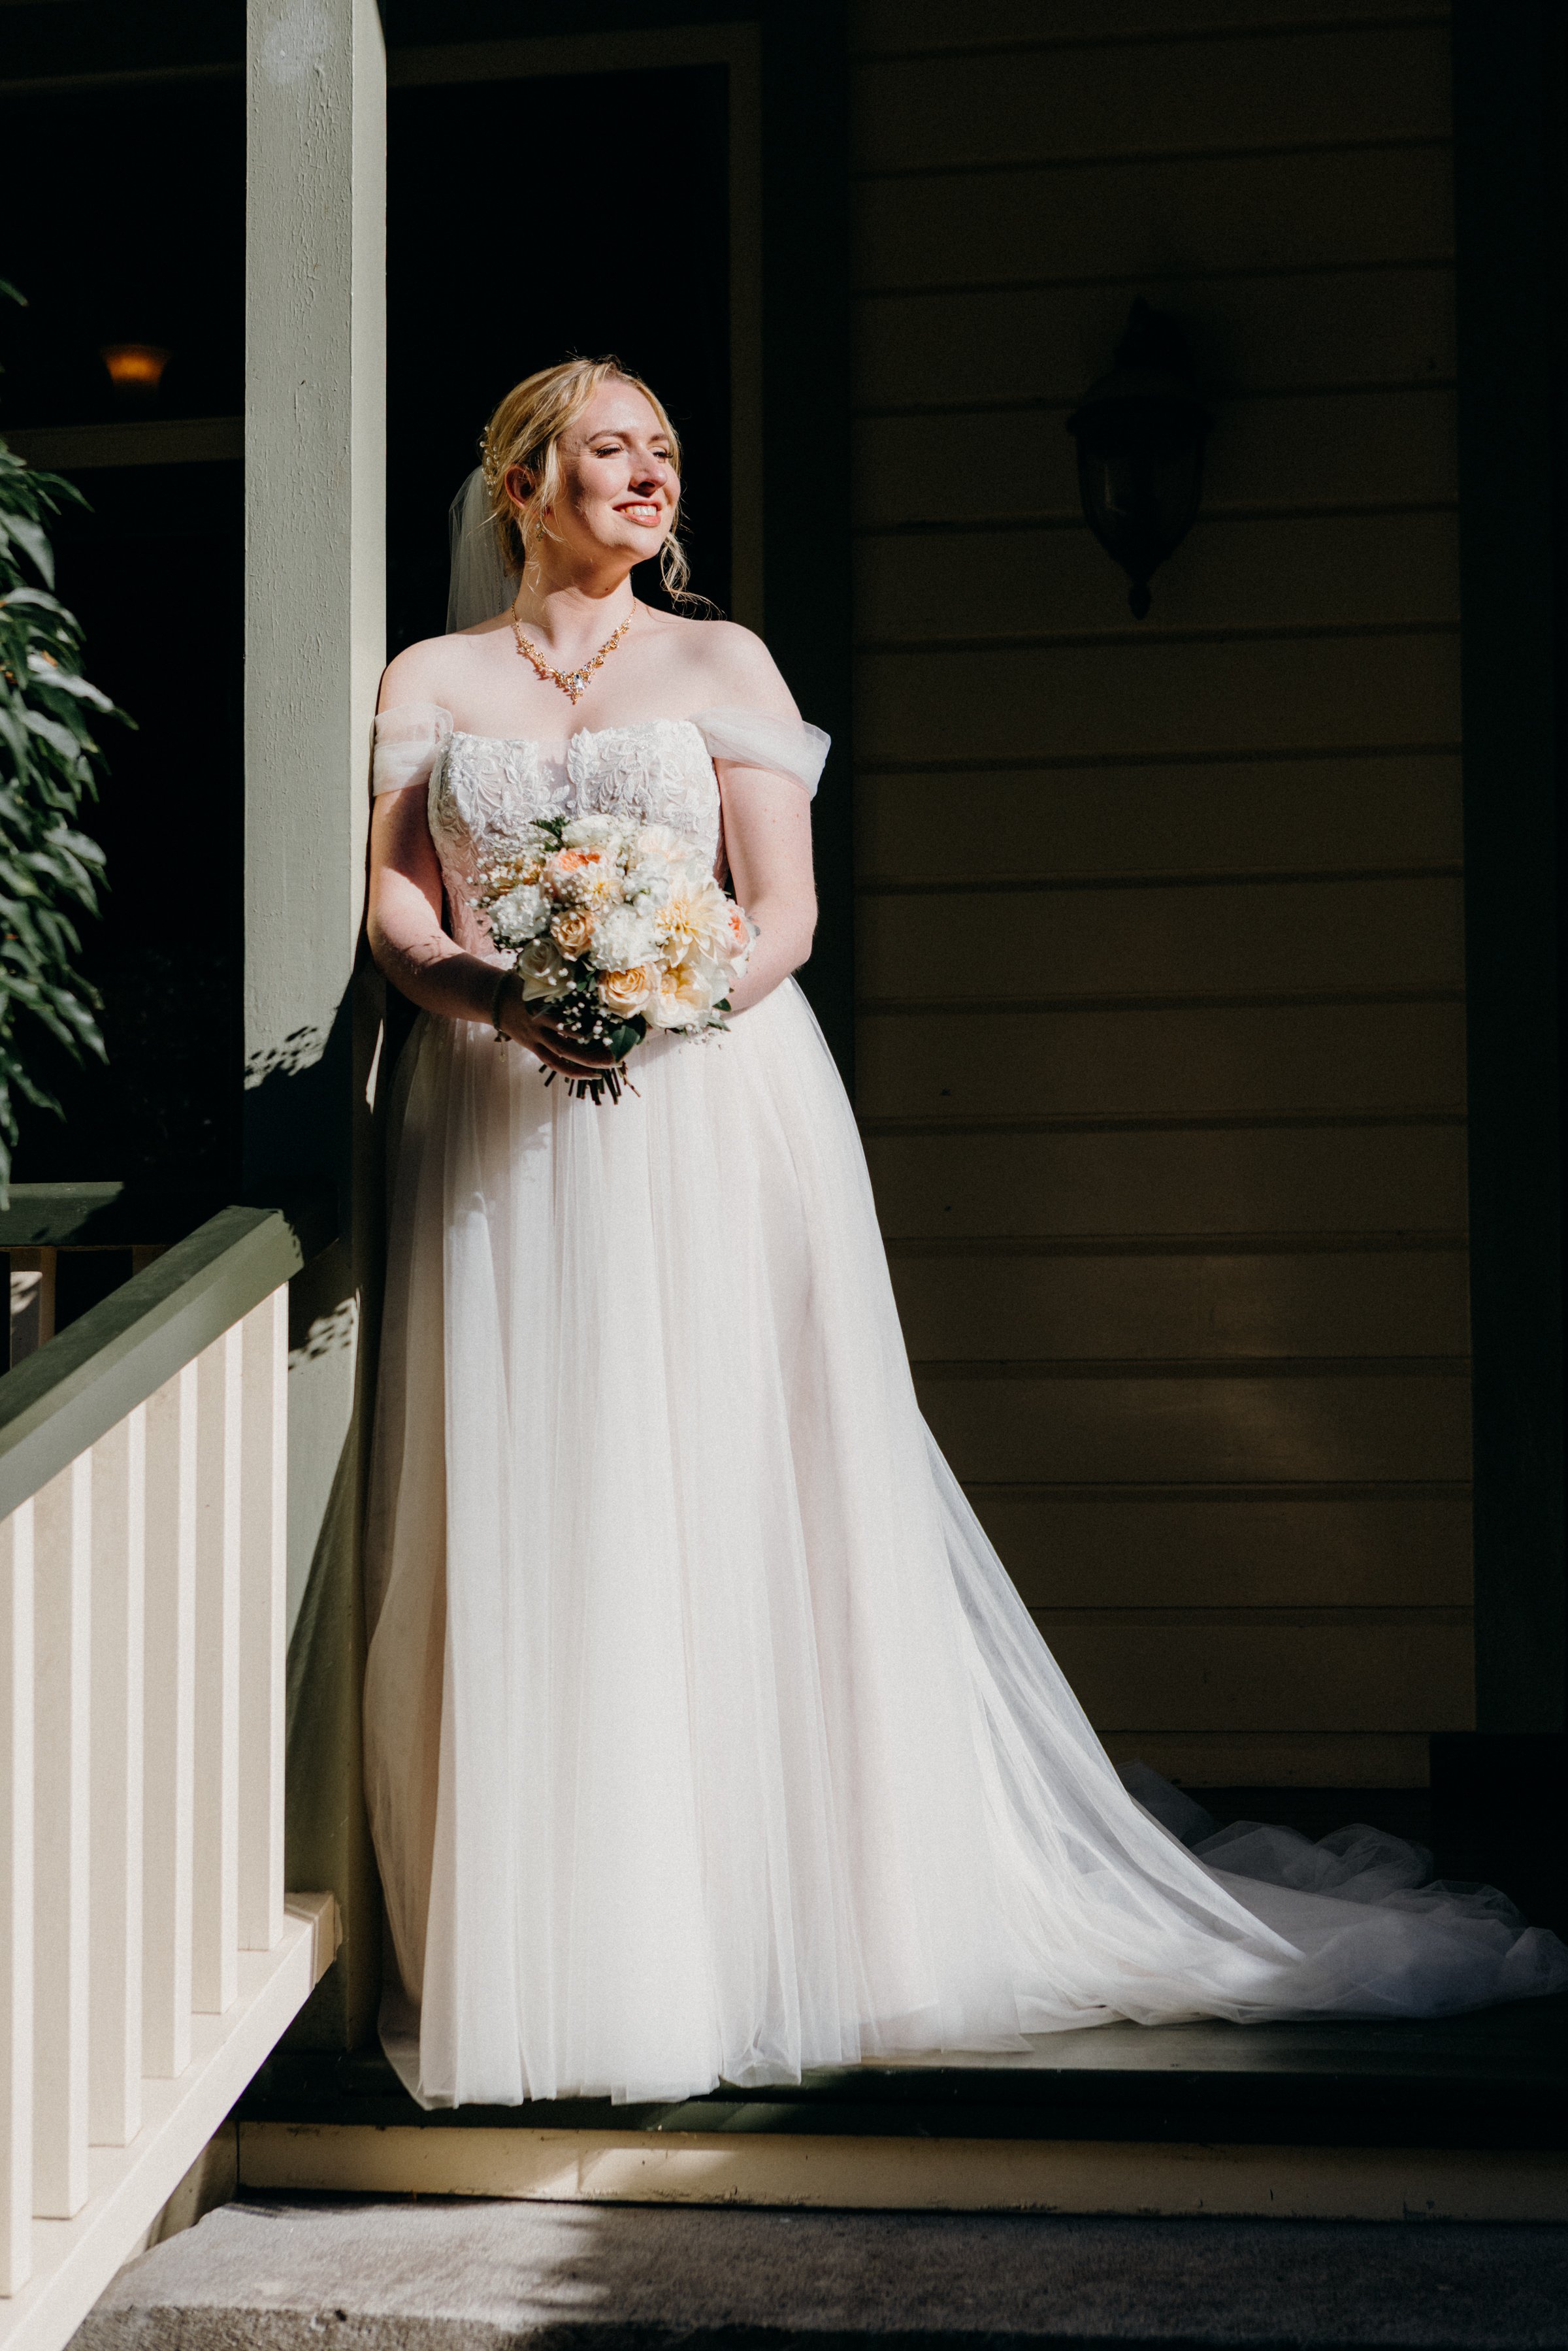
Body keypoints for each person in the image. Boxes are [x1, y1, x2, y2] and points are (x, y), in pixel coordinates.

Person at [363, 356, 1567, 2111]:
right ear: (520, 481)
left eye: (670, 455)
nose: (652, 479)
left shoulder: (726, 663)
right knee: (547, 1493)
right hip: (495, 1105)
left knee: (741, 1482)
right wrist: (496, 993)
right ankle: (582, 1943)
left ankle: (800, 1917)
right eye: (613, 451)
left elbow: (784, 915)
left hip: (710, 1106)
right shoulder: (435, 677)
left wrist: (651, 989)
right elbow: (400, 893)